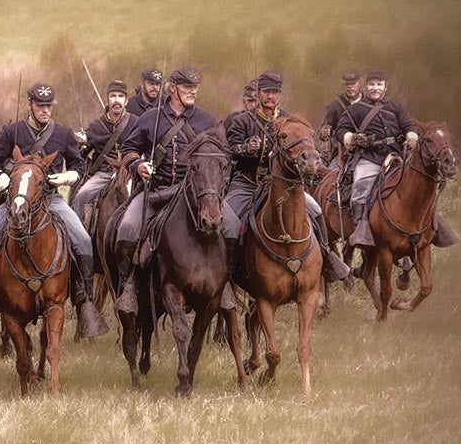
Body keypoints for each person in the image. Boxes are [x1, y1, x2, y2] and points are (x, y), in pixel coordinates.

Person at [0, 82, 110, 342]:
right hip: (14, 201)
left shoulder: (62, 133)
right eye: (40, 106)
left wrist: (68, 176)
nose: (45, 110)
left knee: (83, 240)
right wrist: (1, 179)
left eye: (49, 106)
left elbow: (78, 163)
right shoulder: (12, 131)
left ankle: (85, 303)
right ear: (30, 105)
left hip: (50, 200)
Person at [114, 65, 240, 313]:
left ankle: (225, 283)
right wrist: (138, 166)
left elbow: (222, 155)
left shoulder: (207, 120)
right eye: (187, 87)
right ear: (173, 88)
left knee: (233, 225)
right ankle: (128, 285)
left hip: (196, 194)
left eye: (195, 87)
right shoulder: (151, 118)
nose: (192, 91)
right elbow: (128, 150)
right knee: (127, 228)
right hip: (157, 190)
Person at [224, 70, 349, 281]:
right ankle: (227, 272)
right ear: (258, 93)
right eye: (266, 92)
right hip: (247, 183)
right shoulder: (243, 120)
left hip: (282, 186)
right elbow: (229, 150)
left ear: (280, 94)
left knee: (316, 210)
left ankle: (327, 257)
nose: (270, 96)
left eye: (274, 92)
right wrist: (246, 147)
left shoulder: (289, 120)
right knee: (229, 223)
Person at [335, 71, 458, 248]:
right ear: (366, 87)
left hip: (396, 156)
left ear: (386, 87)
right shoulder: (356, 109)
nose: (375, 88)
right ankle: (362, 226)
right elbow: (341, 129)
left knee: (417, 186)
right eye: (372, 84)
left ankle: (434, 224)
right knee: (361, 184)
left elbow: (408, 125)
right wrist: (352, 138)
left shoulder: (396, 107)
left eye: (379, 85)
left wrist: (411, 136)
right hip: (369, 157)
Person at [70, 79, 139, 225]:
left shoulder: (136, 123)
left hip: (131, 173)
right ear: (107, 99)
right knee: (83, 194)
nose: (116, 100)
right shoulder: (96, 126)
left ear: (126, 101)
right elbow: (80, 154)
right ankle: (79, 235)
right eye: (113, 96)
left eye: (120, 96)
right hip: (104, 174)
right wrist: (80, 144)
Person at [318, 70, 363, 167]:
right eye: (347, 84)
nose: (350, 87)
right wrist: (324, 131)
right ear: (343, 86)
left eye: (353, 84)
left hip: (367, 150)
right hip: (342, 152)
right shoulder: (335, 105)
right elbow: (325, 128)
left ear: (360, 83)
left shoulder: (369, 102)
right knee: (331, 174)